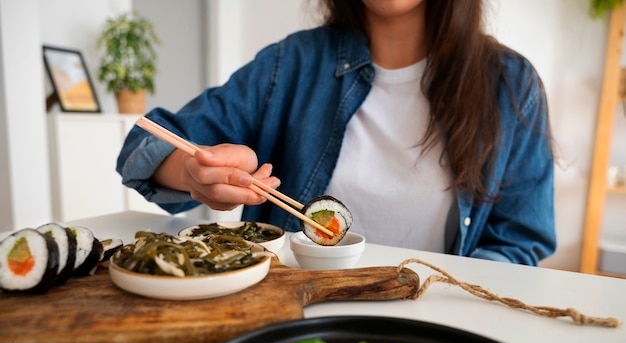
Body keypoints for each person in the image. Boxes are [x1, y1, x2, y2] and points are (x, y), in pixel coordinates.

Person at [117, 0, 557, 266]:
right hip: (290, 319)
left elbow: (520, 239)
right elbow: (148, 141)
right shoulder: (290, 64)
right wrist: (194, 173)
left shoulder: (511, 85)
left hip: (433, 325)